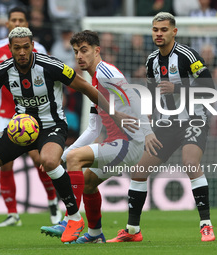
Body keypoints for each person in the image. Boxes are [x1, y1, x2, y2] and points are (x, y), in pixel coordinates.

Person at [0, 27, 135, 248]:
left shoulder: (50, 66)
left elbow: (83, 86)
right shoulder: (4, 69)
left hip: (51, 127)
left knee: (50, 161)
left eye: (26, 47)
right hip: (20, 129)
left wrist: (114, 112)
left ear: (32, 46)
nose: (22, 52)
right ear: (11, 49)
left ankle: (73, 218)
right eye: (17, 48)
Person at [40, 30, 158, 243]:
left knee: (76, 159)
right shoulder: (94, 81)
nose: (79, 56)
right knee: (87, 184)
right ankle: (95, 235)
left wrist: (148, 132)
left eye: (84, 51)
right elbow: (93, 129)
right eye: (76, 52)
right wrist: (62, 156)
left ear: (97, 51)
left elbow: (134, 99)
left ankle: (70, 220)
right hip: (121, 143)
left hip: (128, 142)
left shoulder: (106, 72)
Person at [107, 12, 216, 242]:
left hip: (193, 119)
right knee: (138, 172)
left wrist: (177, 90)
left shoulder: (188, 56)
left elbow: (209, 89)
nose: (159, 33)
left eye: (164, 30)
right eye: (156, 29)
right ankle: (133, 231)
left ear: (174, 32)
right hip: (166, 123)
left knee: (190, 162)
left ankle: (206, 225)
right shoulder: (151, 61)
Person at [0, 6, 62, 227]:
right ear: (7, 24)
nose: (17, 23)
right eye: (13, 20)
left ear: (27, 24)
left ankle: (53, 203)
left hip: (32, 114)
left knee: (38, 160)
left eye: (21, 20)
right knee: (5, 163)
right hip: (6, 113)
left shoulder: (39, 49)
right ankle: (12, 214)